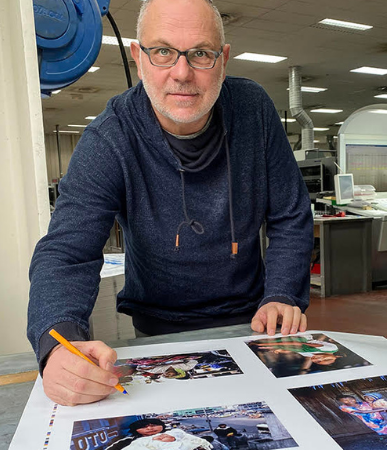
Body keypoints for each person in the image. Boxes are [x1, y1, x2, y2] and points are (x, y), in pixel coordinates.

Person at [27, 0, 313, 406]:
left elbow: (291, 214)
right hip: (159, 329)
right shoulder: (111, 137)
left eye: (200, 53)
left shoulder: (254, 110)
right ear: (138, 58)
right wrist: (58, 343)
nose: (182, 73)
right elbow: (67, 251)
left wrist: (283, 292)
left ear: (224, 59)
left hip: (255, 322)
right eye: (162, 52)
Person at [105, 419, 213, 450]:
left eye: (153, 425)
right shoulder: (127, 441)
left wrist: (174, 438)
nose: (150, 428)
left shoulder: (175, 433)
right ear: (136, 430)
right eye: (144, 427)